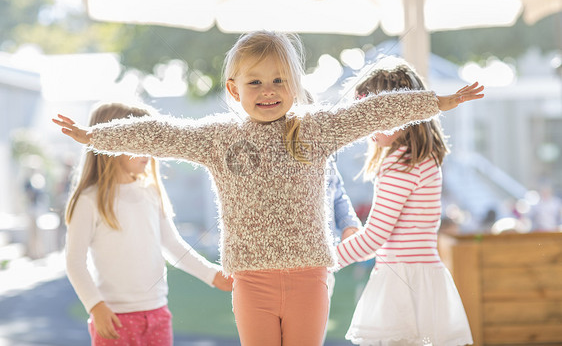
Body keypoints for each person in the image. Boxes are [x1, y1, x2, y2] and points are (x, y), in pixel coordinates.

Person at [53, 31, 483, 346]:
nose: (268, 91)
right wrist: (96, 137)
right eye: (255, 82)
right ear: (232, 89)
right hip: (251, 279)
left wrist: (436, 103)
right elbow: (159, 133)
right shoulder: (217, 137)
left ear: (295, 86)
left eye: (279, 80)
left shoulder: (317, 127)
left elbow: (374, 112)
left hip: (310, 277)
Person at [63, 101, 232, 346]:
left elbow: (172, 245)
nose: (148, 150)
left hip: (157, 313)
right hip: (113, 318)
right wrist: (96, 306)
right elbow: (74, 262)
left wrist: (212, 275)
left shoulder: (151, 192)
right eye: (139, 142)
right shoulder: (89, 200)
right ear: (110, 140)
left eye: (150, 142)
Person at [335, 56, 473, 346]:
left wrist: (325, 261)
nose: (366, 124)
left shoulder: (403, 164)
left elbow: (374, 237)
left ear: (401, 113)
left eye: (374, 114)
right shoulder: (424, 158)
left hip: (402, 285)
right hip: (420, 279)